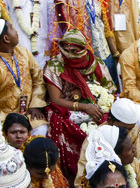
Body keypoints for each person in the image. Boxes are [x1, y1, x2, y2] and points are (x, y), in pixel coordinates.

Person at [44, 30, 117, 178]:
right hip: (66, 108)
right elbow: (55, 99)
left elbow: (110, 91)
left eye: (74, 51)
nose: (70, 54)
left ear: (83, 50)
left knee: (107, 123)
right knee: (65, 126)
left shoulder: (95, 63)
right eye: (66, 50)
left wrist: (93, 97)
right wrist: (84, 106)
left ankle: (108, 170)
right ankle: (77, 175)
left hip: (96, 105)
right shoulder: (55, 66)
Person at [55, 0, 117, 83]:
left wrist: (115, 53)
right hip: (80, 53)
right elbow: (64, 30)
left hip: (103, 52)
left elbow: (107, 29)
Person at [0, 18, 47, 126]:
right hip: (6, 121)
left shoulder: (23, 52)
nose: (16, 31)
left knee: (42, 130)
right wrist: (10, 121)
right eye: (12, 29)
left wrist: (35, 104)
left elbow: (38, 79)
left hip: (30, 114)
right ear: (6, 38)